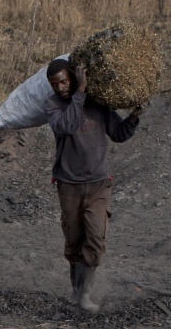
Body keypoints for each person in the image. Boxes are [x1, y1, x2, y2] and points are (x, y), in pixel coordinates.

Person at [46, 56, 142, 312]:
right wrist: (79, 92)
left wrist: (133, 117)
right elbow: (66, 125)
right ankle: (76, 292)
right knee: (74, 239)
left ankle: (85, 295)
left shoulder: (96, 104)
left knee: (96, 235)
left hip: (99, 183)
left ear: (73, 77)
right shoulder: (53, 105)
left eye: (64, 82)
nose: (60, 88)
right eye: (55, 84)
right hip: (69, 184)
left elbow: (118, 134)